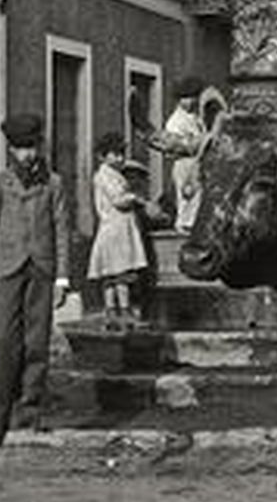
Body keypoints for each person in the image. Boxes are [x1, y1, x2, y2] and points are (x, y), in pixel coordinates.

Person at [0, 113, 71, 446]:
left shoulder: (54, 184)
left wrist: (61, 278)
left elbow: (61, 230)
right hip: (5, 271)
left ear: (39, 146)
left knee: (36, 344)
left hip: (41, 271)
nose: (28, 155)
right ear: (11, 150)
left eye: (32, 147)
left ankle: (29, 413)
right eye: (21, 149)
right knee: (3, 343)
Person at [87, 132, 149, 330]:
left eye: (122, 154)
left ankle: (114, 310)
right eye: (114, 154)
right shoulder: (104, 176)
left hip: (119, 228)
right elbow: (118, 200)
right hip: (114, 228)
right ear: (102, 156)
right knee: (119, 272)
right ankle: (120, 309)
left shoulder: (114, 174)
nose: (120, 158)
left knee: (113, 273)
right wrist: (136, 199)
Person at [153, 75, 208, 233]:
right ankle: (184, 223)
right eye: (185, 98)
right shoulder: (175, 121)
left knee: (198, 193)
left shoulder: (196, 118)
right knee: (186, 192)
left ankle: (194, 222)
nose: (190, 102)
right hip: (184, 161)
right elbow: (176, 144)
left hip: (197, 160)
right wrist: (196, 142)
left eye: (192, 98)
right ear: (178, 100)